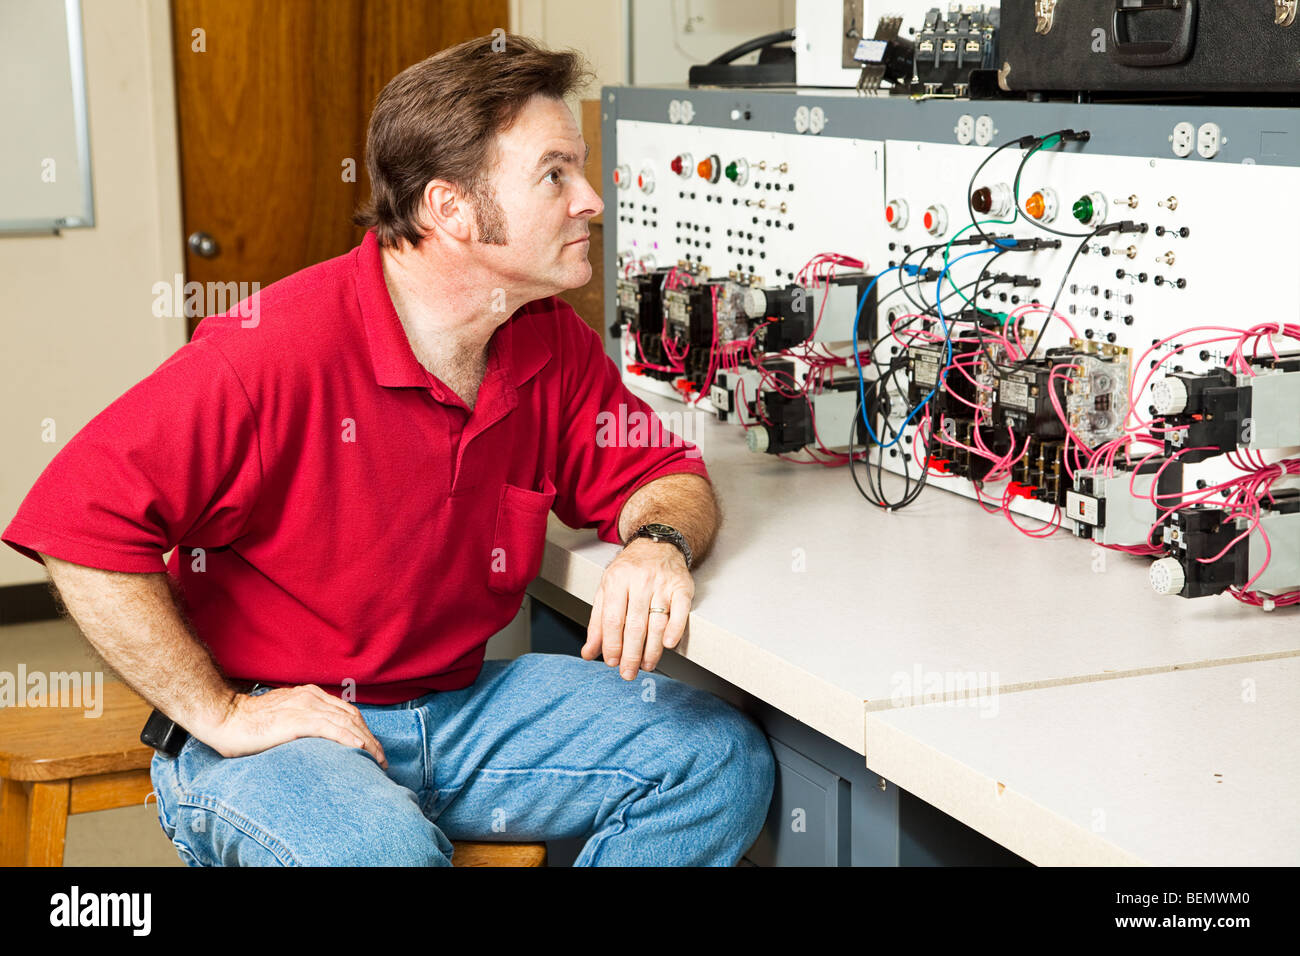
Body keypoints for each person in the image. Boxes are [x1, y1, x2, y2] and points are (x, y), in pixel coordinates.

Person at [2, 33, 774, 866]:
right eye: (555, 173)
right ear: (450, 208)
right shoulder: (269, 353)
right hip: (282, 732)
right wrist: (220, 713)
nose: (590, 198)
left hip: (457, 708)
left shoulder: (545, 338)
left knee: (716, 761)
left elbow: (664, 472)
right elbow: (75, 528)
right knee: (383, 855)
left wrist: (658, 545)